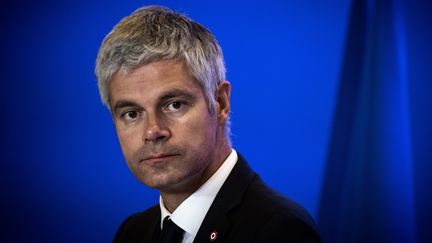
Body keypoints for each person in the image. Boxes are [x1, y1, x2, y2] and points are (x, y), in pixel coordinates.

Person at [95, 5, 321, 243]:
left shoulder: (281, 232)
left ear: (221, 103)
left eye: (174, 105)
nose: (152, 131)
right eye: (131, 113)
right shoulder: (132, 233)